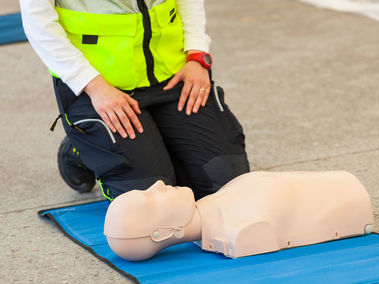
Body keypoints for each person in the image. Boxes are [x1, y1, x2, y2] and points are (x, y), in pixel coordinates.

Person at [20, 0, 250, 201]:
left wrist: (197, 54)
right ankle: (79, 149)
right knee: (153, 203)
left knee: (229, 187)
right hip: (102, 87)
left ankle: (156, 139)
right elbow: (37, 22)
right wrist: (92, 84)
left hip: (171, 73)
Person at [104, 171, 374, 261]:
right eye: (151, 199)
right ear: (161, 233)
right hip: (352, 198)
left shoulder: (225, 200)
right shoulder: (243, 229)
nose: (158, 185)